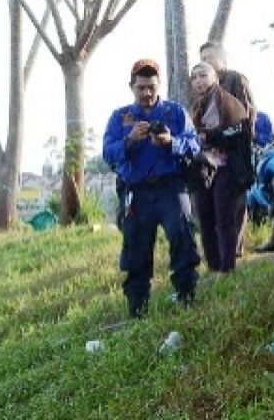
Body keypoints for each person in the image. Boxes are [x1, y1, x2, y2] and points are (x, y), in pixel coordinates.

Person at [101, 58, 202, 318]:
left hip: (171, 187)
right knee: (136, 248)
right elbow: (107, 153)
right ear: (132, 87)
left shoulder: (175, 113)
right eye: (141, 88)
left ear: (159, 86)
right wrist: (129, 141)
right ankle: (137, 307)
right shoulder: (119, 117)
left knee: (183, 238)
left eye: (151, 88)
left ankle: (186, 296)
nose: (147, 93)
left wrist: (171, 142)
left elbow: (195, 145)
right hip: (136, 191)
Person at [187, 61, 251, 273]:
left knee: (224, 219)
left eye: (203, 75)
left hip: (225, 167)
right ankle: (213, 266)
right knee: (205, 219)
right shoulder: (196, 107)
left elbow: (241, 132)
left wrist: (211, 136)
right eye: (194, 77)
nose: (198, 81)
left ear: (215, 78)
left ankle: (227, 268)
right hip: (203, 169)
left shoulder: (228, 102)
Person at [198, 41, 256, 257]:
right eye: (203, 58)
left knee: (235, 202)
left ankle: (235, 251)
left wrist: (239, 139)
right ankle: (220, 253)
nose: (207, 62)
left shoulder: (235, 79)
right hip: (212, 154)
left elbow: (247, 115)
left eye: (210, 57)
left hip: (235, 148)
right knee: (214, 205)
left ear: (222, 59)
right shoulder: (204, 86)